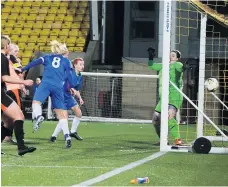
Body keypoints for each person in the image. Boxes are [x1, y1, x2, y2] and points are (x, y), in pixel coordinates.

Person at [22, 40, 77, 148]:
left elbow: (35, 62)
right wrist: (72, 85)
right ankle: (67, 136)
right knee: (61, 113)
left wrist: (23, 68)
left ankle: (38, 116)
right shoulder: (66, 61)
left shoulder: (47, 57)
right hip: (58, 87)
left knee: (36, 102)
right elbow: (71, 78)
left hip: (46, 83)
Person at [1, 35, 36, 156]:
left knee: (9, 123)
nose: (10, 47)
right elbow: (4, 77)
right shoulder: (3, 58)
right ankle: (21, 147)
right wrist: (24, 82)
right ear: (6, 45)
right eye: (9, 44)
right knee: (19, 116)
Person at [147, 47, 183, 145]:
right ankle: (163, 140)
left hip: (174, 97)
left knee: (169, 117)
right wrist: (150, 57)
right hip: (163, 98)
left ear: (177, 58)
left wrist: (184, 67)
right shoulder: (164, 66)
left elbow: (181, 67)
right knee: (155, 120)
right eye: (169, 55)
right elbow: (151, 66)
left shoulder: (177, 64)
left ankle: (178, 140)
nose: (170, 57)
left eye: (173, 55)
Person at [50, 58, 84, 142]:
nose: (82, 66)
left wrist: (80, 98)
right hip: (61, 95)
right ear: (75, 65)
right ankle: (53, 136)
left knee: (79, 113)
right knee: (64, 118)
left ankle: (73, 132)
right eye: (80, 64)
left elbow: (76, 89)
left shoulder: (80, 75)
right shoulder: (69, 72)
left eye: (83, 64)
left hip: (68, 96)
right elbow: (62, 82)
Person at [3, 44, 25, 144]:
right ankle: (12, 137)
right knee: (18, 114)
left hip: (7, 88)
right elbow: (20, 72)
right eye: (15, 51)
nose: (17, 53)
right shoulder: (10, 60)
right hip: (12, 88)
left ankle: (8, 136)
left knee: (8, 116)